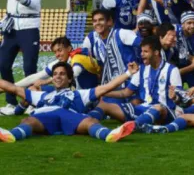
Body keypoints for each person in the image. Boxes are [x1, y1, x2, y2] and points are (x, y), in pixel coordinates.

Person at [0, 62, 138, 143]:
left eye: (62, 74)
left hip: (70, 116)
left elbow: (106, 87)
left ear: (70, 78)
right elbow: (13, 88)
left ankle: (109, 135)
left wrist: (128, 73)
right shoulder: (41, 95)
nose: (57, 77)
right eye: (55, 74)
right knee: (28, 121)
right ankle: (11, 136)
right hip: (45, 115)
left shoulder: (79, 94)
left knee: (90, 121)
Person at [87, 36, 183, 126]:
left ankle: (133, 126)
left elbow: (181, 99)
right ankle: (87, 121)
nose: (142, 54)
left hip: (164, 112)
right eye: (141, 51)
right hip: (142, 109)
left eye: (145, 51)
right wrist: (103, 93)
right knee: (104, 105)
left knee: (158, 107)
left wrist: (175, 97)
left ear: (156, 52)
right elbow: (125, 93)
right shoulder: (141, 69)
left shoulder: (172, 70)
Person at [0, 0, 44, 115]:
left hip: (29, 25)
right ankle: (11, 103)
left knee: (29, 67)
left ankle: (31, 102)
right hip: (11, 26)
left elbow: (35, 4)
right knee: (3, 64)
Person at [83, 9, 141, 103]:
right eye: (94, 21)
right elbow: (102, 68)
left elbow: (143, 45)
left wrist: (140, 64)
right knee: (102, 108)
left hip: (132, 82)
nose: (97, 23)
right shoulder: (96, 45)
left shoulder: (122, 33)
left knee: (134, 107)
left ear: (109, 21)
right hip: (114, 86)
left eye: (101, 20)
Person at [174, 11, 194, 88]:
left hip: (192, 69)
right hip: (177, 67)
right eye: (189, 23)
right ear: (182, 24)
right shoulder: (175, 33)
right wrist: (192, 58)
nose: (192, 26)